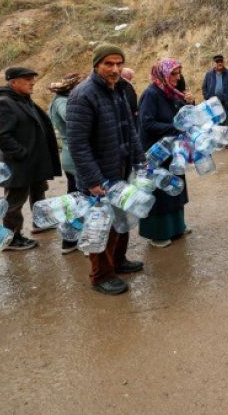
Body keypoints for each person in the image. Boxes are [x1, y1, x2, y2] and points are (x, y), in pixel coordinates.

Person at [66, 44, 145, 295]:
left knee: (120, 220)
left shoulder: (119, 89)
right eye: (109, 64)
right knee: (101, 226)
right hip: (98, 176)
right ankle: (101, 275)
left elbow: (129, 129)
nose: (115, 69)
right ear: (96, 65)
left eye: (119, 63)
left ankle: (118, 262)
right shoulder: (83, 95)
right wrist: (92, 179)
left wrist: (139, 159)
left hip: (119, 169)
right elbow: (78, 144)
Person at [0, 66, 61, 250]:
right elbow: (1, 136)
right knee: (14, 203)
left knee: (39, 193)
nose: (32, 83)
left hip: (35, 162)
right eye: (27, 79)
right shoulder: (4, 103)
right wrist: (23, 153)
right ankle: (11, 239)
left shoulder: (22, 100)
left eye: (32, 79)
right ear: (13, 82)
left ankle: (41, 222)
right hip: (19, 164)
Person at [139, 58, 194, 247]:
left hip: (172, 149)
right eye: (173, 74)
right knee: (161, 191)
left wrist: (190, 103)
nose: (177, 78)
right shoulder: (151, 94)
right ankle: (159, 233)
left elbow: (184, 116)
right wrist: (174, 128)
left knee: (175, 186)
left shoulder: (172, 93)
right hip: (156, 153)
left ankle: (177, 226)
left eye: (179, 74)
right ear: (162, 74)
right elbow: (147, 123)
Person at [48, 72, 85, 253]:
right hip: (74, 157)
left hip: (75, 155)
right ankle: (69, 240)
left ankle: (73, 238)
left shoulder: (64, 99)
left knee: (77, 198)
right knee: (75, 200)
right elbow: (72, 119)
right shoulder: (63, 102)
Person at [201, 54, 228, 133]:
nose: (219, 63)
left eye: (221, 61)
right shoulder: (209, 75)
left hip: (227, 102)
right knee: (217, 122)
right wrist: (207, 96)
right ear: (213, 63)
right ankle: (219, 140)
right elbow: (204, 87)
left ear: (223, 62)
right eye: (217, 62)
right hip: (214, 103)